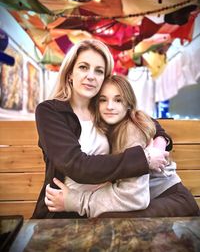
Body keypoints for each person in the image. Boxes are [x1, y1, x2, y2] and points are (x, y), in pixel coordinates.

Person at [32, 39, 173, 219]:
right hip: (61, 207)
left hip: (101, 208)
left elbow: (142, 119)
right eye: (83, 67)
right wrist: (144, 159)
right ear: (70, 73)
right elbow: (77, 165)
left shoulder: (103, 109)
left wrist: (159, 144)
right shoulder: (50, 111)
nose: (91, 76)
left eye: (99, 71)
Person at [45, 75, 199, 218]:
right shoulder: (107, 127)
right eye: (103, 100)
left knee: (108, 218)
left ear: (128, 104)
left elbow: (134, 198)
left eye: (118, 100)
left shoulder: (130, 129)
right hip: (152, 199)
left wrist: (76, 201)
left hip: (171, 200)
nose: (110, 106)